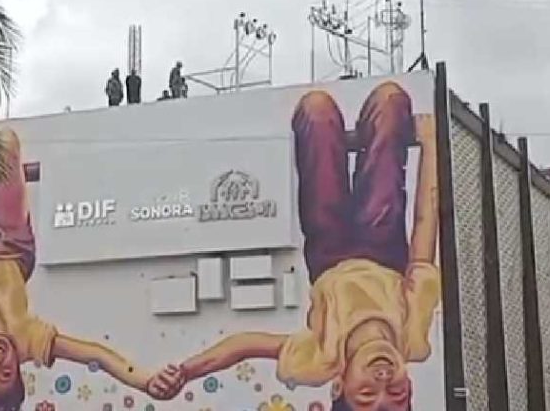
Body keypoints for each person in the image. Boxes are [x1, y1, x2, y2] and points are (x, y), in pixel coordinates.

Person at [148, 82, 441, 410]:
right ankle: (378, 121)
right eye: (397, 393)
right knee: (391, 100)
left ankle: (328, 125)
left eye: (367, 395)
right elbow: (424, 228)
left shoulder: (319, 358)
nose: (382, 380)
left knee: (316, 111)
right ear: (409, 384)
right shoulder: (413, 337)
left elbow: (245, 345)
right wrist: (433, 146)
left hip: (329, 252)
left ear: (338, 386)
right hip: (382, 243)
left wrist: (186, 371)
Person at [0, 129, 162, 410]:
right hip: (14, 242)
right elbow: (94, 354)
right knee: (5, 142)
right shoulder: (29, 342)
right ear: (18, 373)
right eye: (5, 373)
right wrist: (144, 381)